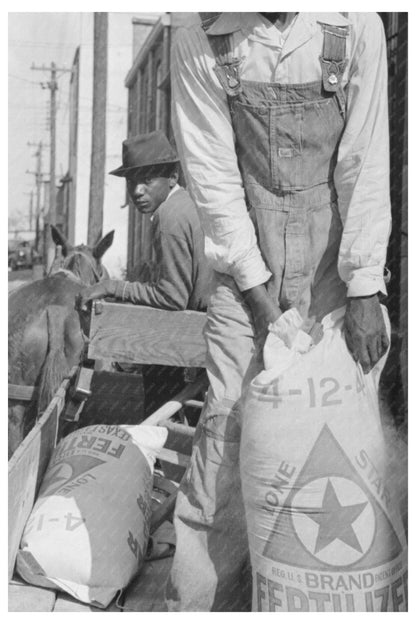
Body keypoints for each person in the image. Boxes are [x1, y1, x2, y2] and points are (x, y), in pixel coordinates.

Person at [166, 12, 391, 611]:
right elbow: (213, 178)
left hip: (334, 264)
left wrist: (365, 287)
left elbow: (366, 163)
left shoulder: (354, 24)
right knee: (225, 422)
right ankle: (204, 604)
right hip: (245, 262)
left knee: (345, 430)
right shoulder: (201, 34)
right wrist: (259, 297)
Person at [80, 130, 210, 312]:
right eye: (131, 182)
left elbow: (172, 298)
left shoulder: (169, 216)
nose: (137, 190)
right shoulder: (185, 204)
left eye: (147, 180)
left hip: (210, 325)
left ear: (173, 177)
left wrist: (113, 287)